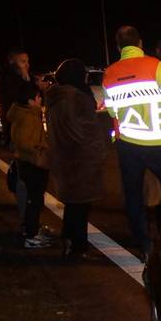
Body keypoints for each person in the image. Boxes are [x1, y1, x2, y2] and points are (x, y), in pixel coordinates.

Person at [102, 24, 161, 256]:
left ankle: (144, 243)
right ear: (139, 44)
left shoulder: (110, 72)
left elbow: (110, 110)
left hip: (128, 144)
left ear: (118, 47)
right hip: (156, 143)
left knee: (133, 194)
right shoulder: (154, 65)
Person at [46, 58, 115, 259]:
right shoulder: (78, 98)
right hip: (82, 157)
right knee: (81, 205)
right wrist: (101, 150)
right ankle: (79, 246)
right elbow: (89, 129)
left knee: (72, 202)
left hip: (63, 155)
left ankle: (68, 238)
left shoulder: (55, 98)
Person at [9, 81, 52, 248]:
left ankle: (32, 230)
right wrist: (42, 149)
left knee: (34, 199)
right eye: (37, 97)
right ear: (29, 101)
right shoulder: (27, 117)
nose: (40, 99)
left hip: (28, 162)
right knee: (34, 200)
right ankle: (31, 236)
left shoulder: (24, 113)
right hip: (32, 163)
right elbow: (25, 142)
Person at [0, 49, 36, 149]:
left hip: (27, 122)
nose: (27, 65)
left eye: (27, 61)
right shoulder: (7, 78)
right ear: (12, 63)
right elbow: (13, 97)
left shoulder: (25, 76)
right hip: (16, 124)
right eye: (23, 62)